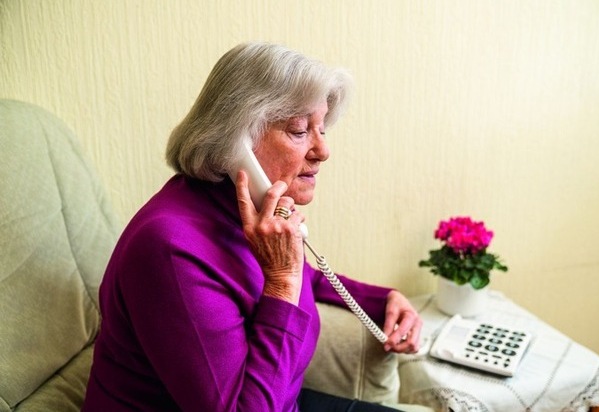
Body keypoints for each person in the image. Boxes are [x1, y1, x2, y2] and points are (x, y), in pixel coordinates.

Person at [83, 42, 422, 412]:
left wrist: (382, 299)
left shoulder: (244, 212)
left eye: (322, 128)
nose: (323, 151)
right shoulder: (169, 250)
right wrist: (282, 282)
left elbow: (306, 277)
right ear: (236, 141)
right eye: (299, 130)